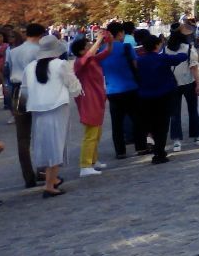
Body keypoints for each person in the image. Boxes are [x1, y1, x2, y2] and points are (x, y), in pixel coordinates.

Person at [24, 35, 81, 196]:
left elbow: (24, 90)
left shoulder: (30, 67)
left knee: (44, 145)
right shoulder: (60, 64)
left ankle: (52, 179)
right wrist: (77, 92)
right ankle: (49, 185)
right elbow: (73, 84)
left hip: (37, 109)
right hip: (57, 107)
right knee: (57, 144)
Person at [134, 32, 190, 162]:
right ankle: (160, 152)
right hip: (164, 95)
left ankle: (156, 148)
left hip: (145, 96)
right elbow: (179, 58)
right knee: (162, 125)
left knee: (152, 124)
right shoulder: (162, 58)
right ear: (156, 45)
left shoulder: (140, 61)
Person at [6, 23, 45, 186]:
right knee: (41, 132)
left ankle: (27, 176)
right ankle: (42, 170)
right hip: (35, 89)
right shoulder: (39, 51)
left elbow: (8, 70)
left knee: (22, 136)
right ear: (40, 35)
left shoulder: (13, 51)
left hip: (17, 90)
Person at [71, 32, 111, 178]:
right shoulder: (80, 61)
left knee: (97, 131)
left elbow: (106, 52)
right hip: (89, 99)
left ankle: (92, 160)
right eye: (87, 45)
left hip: (96, 97)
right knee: (91, 133)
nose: (90, 46)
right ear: (81, 50)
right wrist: (100, 40)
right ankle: (85, 165)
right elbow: (90, 54)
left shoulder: (90, 59)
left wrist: (109, 42)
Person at [100, 21, 142, 159]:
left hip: (112, 90)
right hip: (129, 87)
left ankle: (120, 151)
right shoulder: (126, 47)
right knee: (136, 118)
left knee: (116, 123)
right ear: (119, 33)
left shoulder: (102, 50)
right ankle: (140, 147)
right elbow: (135, 65)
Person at [167, 24, 199, 150]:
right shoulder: (188, 48)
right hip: (188, 82)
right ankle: (196, 136)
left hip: (173, 84)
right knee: (192, 110)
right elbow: (194, 68)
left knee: (175, 113)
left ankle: (176, 141)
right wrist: (198, 85)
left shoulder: (166, 49)